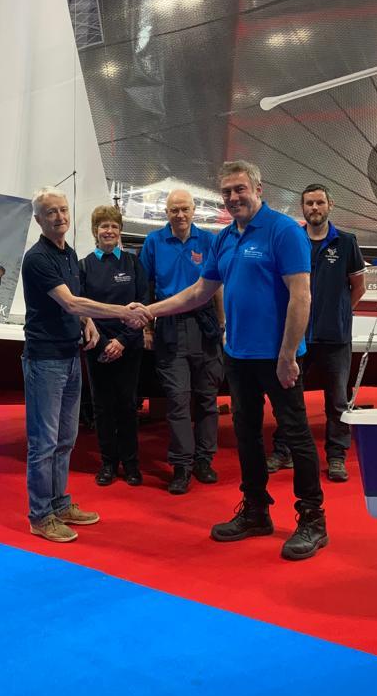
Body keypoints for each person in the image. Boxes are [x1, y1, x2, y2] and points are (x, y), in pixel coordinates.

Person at [135, 161, 328, 561]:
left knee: (296, 436)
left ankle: (312, 518)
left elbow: (301, 296)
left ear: (258, 187)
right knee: (246, 435)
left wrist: (289, 354)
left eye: (240, 189)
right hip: (237, 357)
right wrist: (151, 310)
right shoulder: (224, 239)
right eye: (226, 192)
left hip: (278, 358)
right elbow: (197, 293)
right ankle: (256, 510)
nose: (233, 197)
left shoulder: (283, 231)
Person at [22, 187, 146, 543]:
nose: (59, 217)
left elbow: (74, 309)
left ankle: (61, 505)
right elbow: (73, 302)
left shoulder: (68, 253)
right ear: (39, 220)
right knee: (43, 443)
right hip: (44, 360)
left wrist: (88, 324)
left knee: (65, 439)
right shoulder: (39, 259)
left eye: (63, 211)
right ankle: (40, 516)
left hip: (70, 356)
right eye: (51, 213)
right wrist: (122, 312)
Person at [268, 185, 366, 483]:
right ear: (302, 208)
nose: (314, 208)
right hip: (297, 337)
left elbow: (358, 287)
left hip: (334, 337)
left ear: (329, 205)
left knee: (336, 399)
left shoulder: (346, 243)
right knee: (289, 395)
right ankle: (284, 450)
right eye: (309, 203)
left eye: (319, 202)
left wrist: (338, 312)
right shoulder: (292, 240)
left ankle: (336, 456)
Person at [139, 189, 224, 494]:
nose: (180, 215)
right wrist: (147, 328)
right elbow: (145, 287)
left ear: (193, 210)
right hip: (170, 326)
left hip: (205, 325)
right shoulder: (153, 242)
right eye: (174, 210)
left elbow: (218, 286)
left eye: (185, 209)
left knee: (206, 399)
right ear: (166, 212)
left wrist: (222, 322)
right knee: (176, 399)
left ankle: (204, 460)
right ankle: (181, 465)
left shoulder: (209, 241)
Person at [79, 205, 150, 487]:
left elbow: (143, 302)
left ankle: (131, 464)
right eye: (103, 226)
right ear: (95, 232)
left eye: (113, 226)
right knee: (102, 407)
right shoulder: (85, 265)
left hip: (128, 346)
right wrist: (104, 344)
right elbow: (81, 306)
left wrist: (122, 340)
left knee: (127, 405)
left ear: (120, 231)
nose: (108, 231)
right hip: (97, 347)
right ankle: (108, 463)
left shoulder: (133, 264)